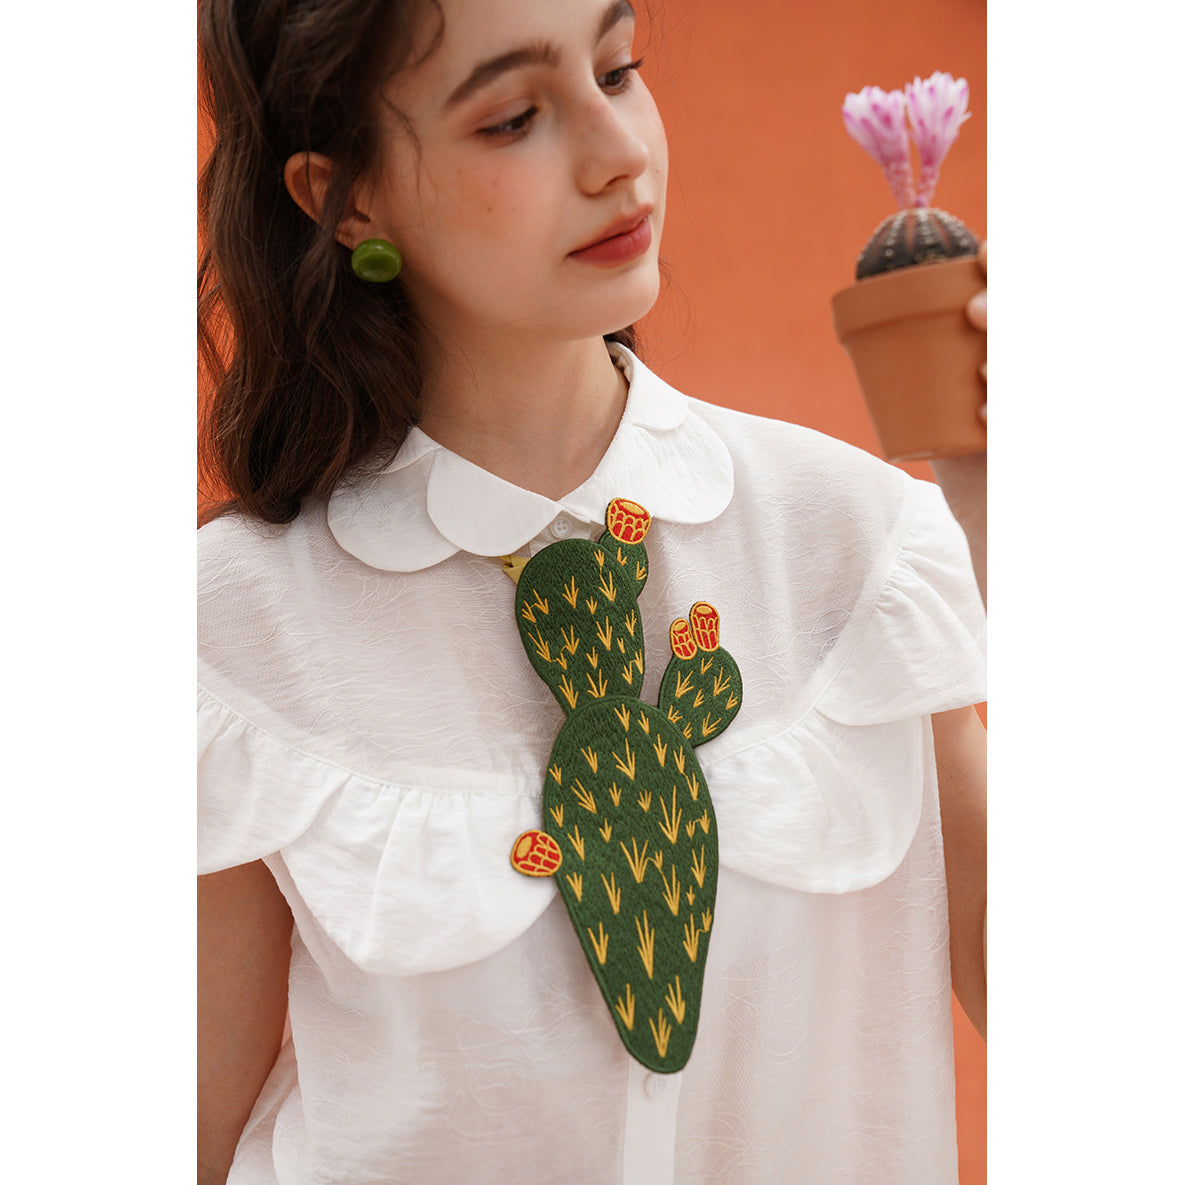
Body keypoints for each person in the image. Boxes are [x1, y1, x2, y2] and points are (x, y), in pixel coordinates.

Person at [197, 0, 988, 1181]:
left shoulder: (861, 545)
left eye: (618, 70)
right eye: (514, 118)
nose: (621, 153)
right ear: (344, 197)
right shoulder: (231, 633)